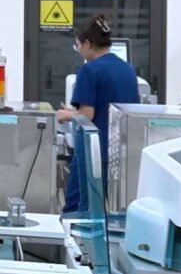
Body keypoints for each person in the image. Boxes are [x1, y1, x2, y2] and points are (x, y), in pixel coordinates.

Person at [56, 11, 140, 215]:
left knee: (78, 210)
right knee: (109, 212)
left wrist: (65, 115)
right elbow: (110, 107)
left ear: (87, 43)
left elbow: (87, 116)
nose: (79, 50)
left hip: (93, 153)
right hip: (118, 154)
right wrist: (75, 110)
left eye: (78, 45)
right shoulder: (127, 70)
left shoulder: (90, 70)